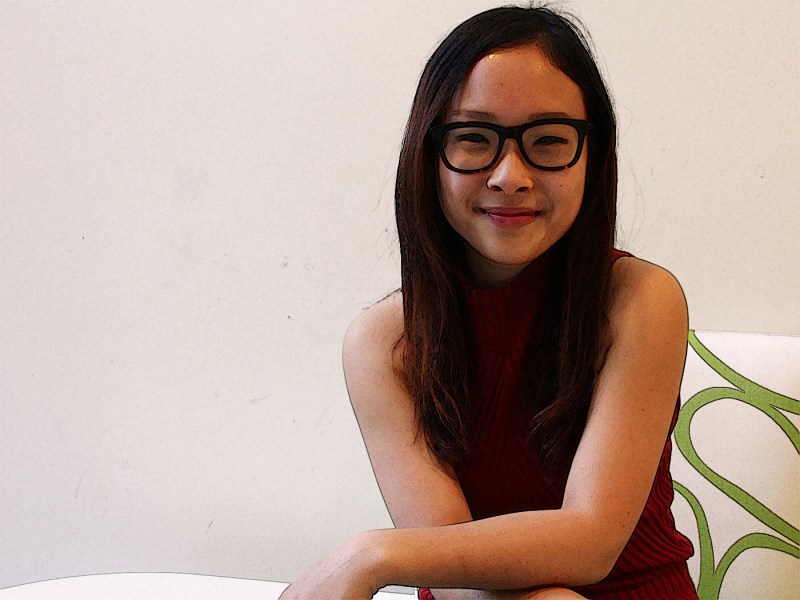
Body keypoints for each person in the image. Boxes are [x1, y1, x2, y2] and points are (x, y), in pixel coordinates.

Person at [281, 5, 697, 599]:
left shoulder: (639, 300)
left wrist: (368, 555)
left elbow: (590, 540)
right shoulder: (384, 343)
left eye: (548, 140)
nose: (510, 175)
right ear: (429, 155)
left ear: (593, 156)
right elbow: (450, 569)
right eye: (474, 138)